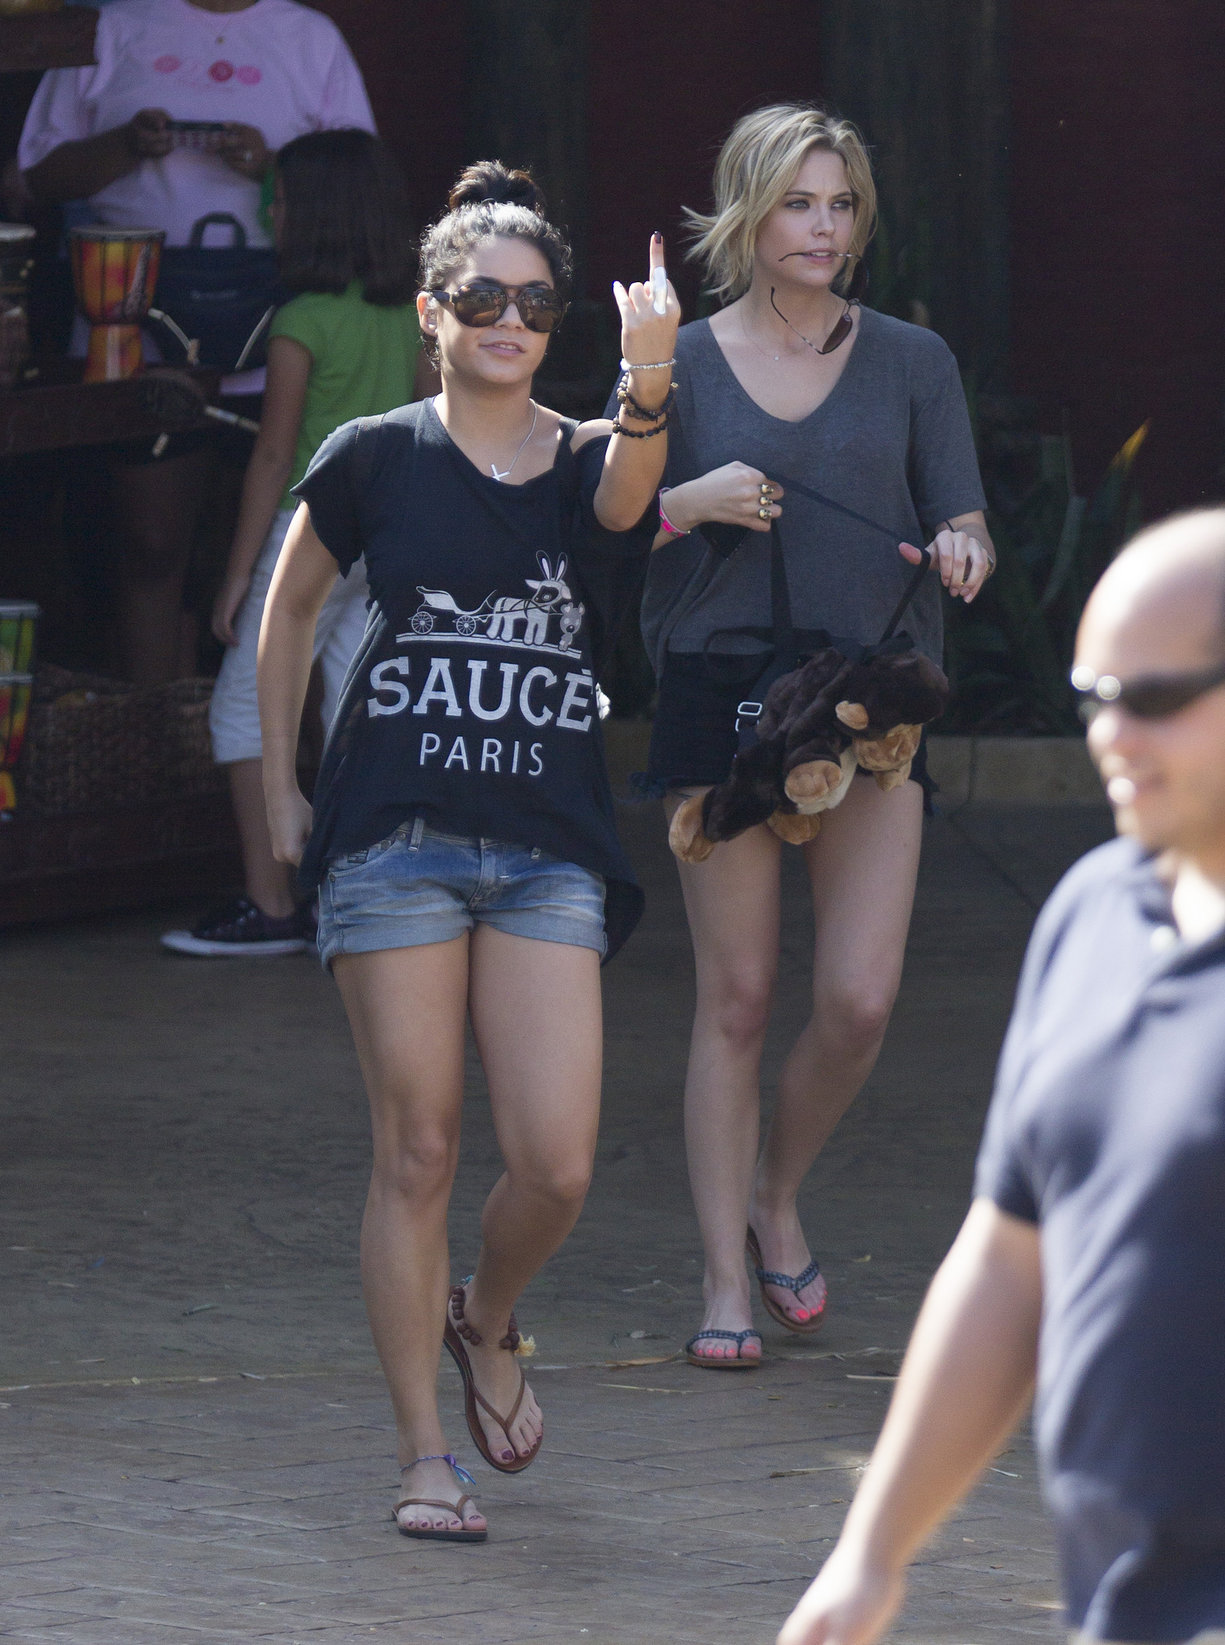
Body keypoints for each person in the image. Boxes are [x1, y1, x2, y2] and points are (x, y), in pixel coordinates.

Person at [257, 162, 680, 1540]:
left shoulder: (580, 455)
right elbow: (287, 614)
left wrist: (653, 373)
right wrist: (280, 791)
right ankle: (420, 1455)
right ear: (432, 310)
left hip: (548, 843)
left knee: (555, 1160)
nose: (509, 320)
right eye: (482, 298)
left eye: (535, 303)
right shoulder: (374, 451)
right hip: (394, 836)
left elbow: (628, 503)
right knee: (419, 1146)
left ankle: (485, 1315)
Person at [779, 507, 1225, 1645]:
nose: (1112, 735)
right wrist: (870, 1553)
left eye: (1157, 699)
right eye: (1095, 696)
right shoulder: (1091, 914)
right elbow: (1006, 1260)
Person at [638, 103, 994, 1367]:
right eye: (800, 202)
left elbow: (965, 516)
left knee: (855, 1001)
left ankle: (775, 1187)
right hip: (720, 690)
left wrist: (961, 547)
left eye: (841, 205)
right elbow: (609, 516)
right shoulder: (675, 358)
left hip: (869, 703)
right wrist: (692, 500)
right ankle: (724, 1281)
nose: (824, 227)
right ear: (747, 208)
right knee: (734, 996)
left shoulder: (912, 359)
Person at [18, 0, 375, 684]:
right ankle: (159, 740)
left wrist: (272, 167)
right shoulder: (115, 26)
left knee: (275, 549)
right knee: (149, 544)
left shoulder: (308, 38)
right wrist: (124, 146)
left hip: (283, 329)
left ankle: (266, 752)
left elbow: (362, 189)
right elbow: (31, 181)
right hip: (135, 330)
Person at [160, 129, 433, 957]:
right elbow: (430, 426)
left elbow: (274, 456)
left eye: (275, 204)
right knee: (357, 709)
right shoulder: (411, 313)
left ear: (305, 219)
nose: (266, 215)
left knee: (243, 709)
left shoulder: (301, 319)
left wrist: (236, 579)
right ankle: (356, 896)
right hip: (381, 539)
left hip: (304, 536)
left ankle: (270, 900)